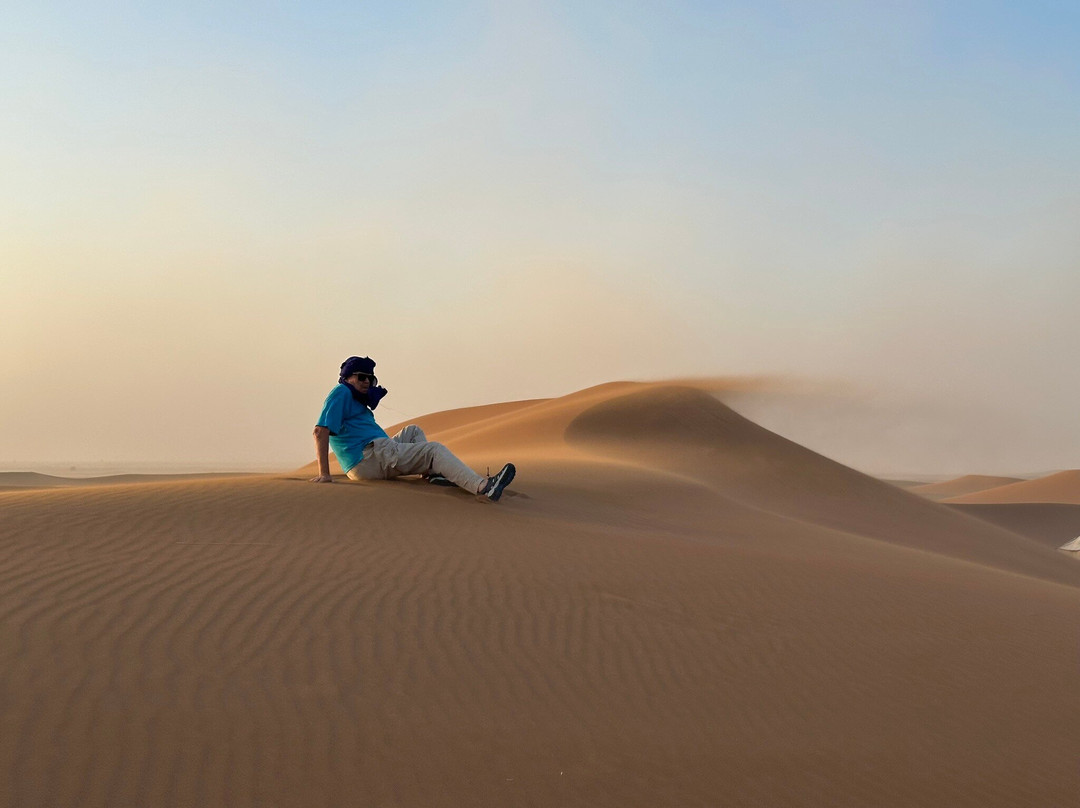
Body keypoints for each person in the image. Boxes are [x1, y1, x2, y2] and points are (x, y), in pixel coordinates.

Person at [309, 356, 516, 501]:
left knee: (413, 431)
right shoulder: (341, 392)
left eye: (370, 378)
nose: (366, 382)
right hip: (370, 457)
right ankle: (482, 488)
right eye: (360, 377)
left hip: (375, 454)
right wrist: (324, 474)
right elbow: (320, 431)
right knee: (433, 450)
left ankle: (432, 474)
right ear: (347, 378)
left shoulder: (353, 397)